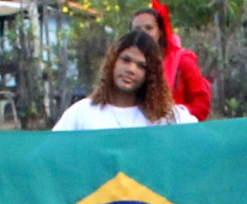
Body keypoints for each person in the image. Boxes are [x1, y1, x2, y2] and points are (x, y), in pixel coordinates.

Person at [56, 31, 195, 131]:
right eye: (126, 60)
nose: (131, 69)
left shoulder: (164, 117)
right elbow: (49, 155)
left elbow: (202, 139)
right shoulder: (82, 113)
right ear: (113, 61)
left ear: (150, 74)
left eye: (141, 66)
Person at [131, 2, 213, 122]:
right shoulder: (127, 64)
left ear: (160, 31)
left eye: (149, 28)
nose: (143, 33)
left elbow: (201, 106)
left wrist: (171, 114)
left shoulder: (183, 61)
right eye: (137, 29)